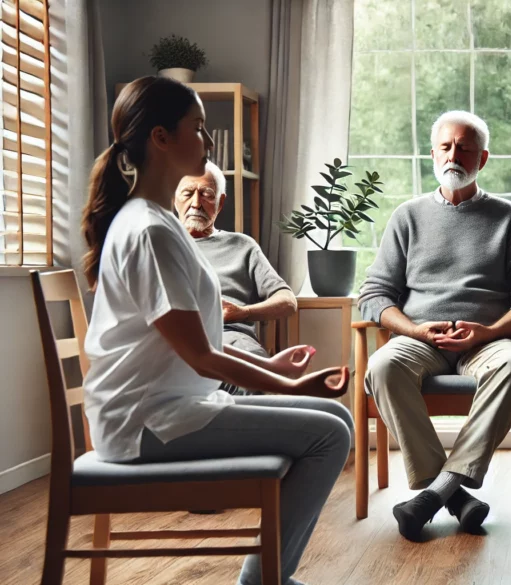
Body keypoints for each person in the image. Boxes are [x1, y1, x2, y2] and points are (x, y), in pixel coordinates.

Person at [81, 76, 352, 585]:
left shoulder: (157, 222)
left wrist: (268, 366)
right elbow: (203, 356)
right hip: (145, 424)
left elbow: (196, 343)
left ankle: (266, 575)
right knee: (329, 434)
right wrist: (289, 385)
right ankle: (262, 580)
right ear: (161, 138)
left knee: (335, 421)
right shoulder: (149, 231)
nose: (208, 142)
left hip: (173, 409)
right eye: (199, 128)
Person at [358, 110, 511, 541]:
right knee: (383, 366)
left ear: (482, 158)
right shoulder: (407, 217)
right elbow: (373, 295)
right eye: (445, 147)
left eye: (464, 147)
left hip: (486, 340)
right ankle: (452, 494)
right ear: (433, 154)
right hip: (421, 337)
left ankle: (435, 491)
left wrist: (491, 331)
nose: (453, 155)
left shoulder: (508, 217)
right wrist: (413, 331)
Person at [175, 161, 298, 395]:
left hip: (231, 338)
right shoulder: (158, 244)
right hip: (176, 344)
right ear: (174, 199)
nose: (196, 203)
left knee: (254, 378)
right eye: (188, 193)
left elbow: (288, 301)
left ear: (220, 203)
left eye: (207, 195)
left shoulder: (242, 246)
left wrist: (244, 312)